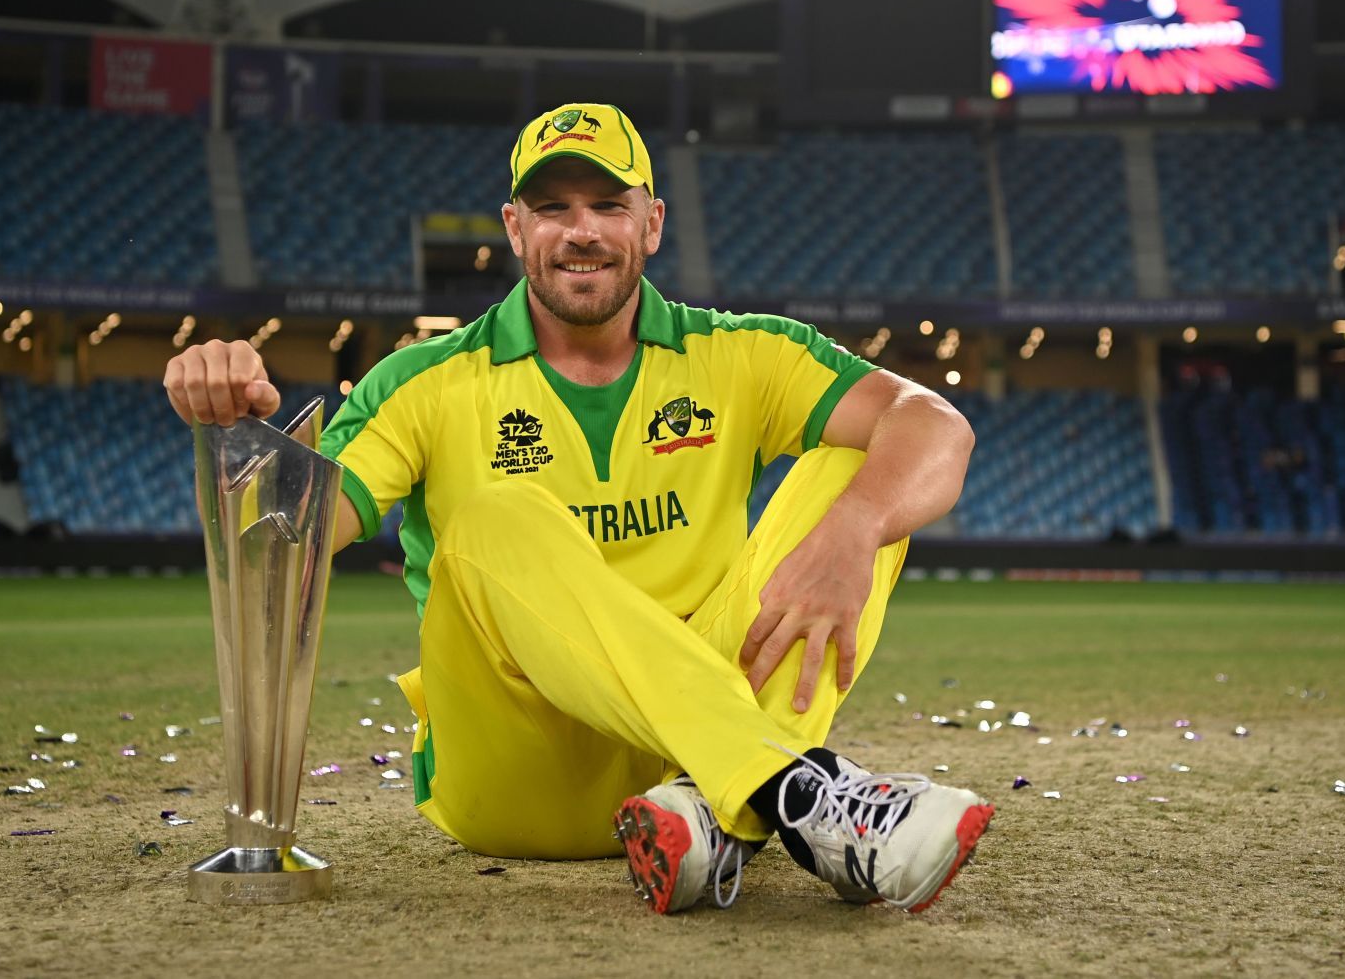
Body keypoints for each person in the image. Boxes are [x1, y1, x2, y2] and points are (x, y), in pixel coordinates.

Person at [163, 103, 991, 914]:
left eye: (608, 205)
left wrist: (856, 525)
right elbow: (281, 544)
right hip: (512, 772)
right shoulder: (425, 380)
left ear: (653, 223)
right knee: (492, 520)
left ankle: (707, 815)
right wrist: (237, 437)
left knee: (862, 463)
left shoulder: (740, 354)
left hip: (674, 763)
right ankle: (793, 792)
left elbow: (935, 425)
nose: (581, 230)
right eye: (552, 208)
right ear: (516, 228)